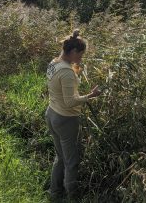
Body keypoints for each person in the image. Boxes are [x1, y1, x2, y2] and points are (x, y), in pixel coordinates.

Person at [45, 28, 101, 201]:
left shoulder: (54, 63)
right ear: (74, 51)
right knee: (71, 161)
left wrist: (74, 67)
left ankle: (55, 193)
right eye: (81, 55)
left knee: (60, 156)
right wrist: (90, 96)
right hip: (66, 119)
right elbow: (70, 102)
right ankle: (73, 197)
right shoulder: (67, 72)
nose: (81, 59)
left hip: (52, 113)